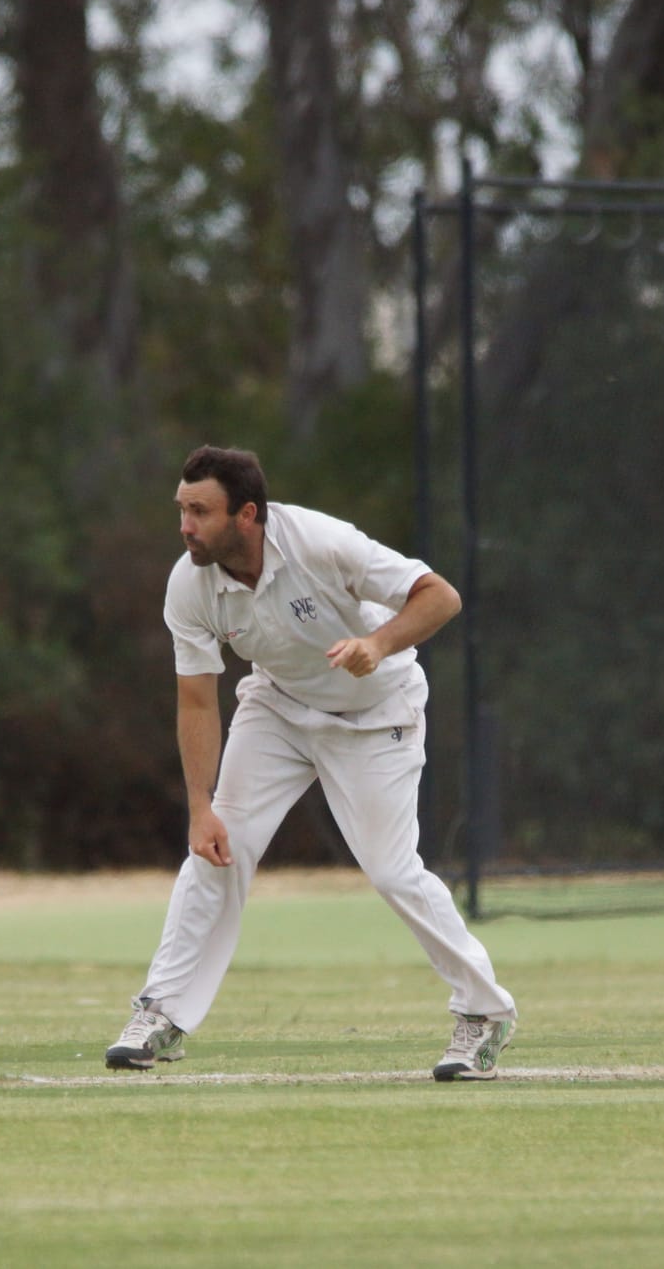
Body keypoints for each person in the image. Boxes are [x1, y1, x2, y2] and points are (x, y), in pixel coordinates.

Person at [107, 446, 518, 1081]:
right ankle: (161, 1013)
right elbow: (196, 699)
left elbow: (441, 596)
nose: (185, 526)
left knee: (392, 871)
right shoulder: (189, 585)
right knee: (219, 848)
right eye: (180, 510)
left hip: (377, 713)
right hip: (278, 709)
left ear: (247, 514)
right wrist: (199, 807)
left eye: (200, 511)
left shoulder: (322, 543)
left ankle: (484, 1013)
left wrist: (376, 644)